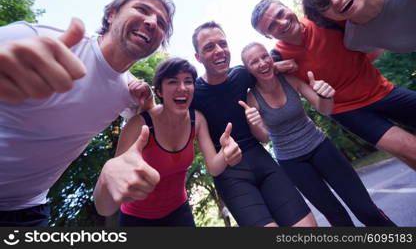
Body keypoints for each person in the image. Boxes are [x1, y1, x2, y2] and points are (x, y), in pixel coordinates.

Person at [0, 0, 175, 226]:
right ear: (112, 14)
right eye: (142, 10)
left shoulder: (130, 91)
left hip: (28, 212)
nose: (152, 22)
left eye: (162, 23)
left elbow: (147, 122)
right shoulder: (42, 39)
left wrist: (147, 104)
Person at [240, 42, 396, 226]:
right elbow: (264, 138)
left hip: (320, 146)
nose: (262, 63)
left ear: (270, 57)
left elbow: (324, 109)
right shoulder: (252, 98)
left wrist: (325, 96)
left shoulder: (289, 79)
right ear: (248, 69)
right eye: (254, 62)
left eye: (264, 56)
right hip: (292, 162)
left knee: (366, 209)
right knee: (338, 219)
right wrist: (255, 123)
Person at [251, 0, 416, 171]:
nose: (282, 22)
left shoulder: (324, 19)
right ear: (267, 36)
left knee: (407, 154)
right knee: (409, 150)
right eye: (271, 26)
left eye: (280, 13)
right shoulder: (277, 57)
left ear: (288, 8)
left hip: (381, 89)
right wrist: (275, 67)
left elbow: (366, 17)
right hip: (348, 111)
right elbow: (252, 75)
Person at [191, 21, 317, 227]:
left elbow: (264, 69)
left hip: (261, 160)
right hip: (230, 173)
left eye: (222, 44)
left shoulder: (241, 75)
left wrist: (279, 65)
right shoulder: (193, 94)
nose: (219, 51)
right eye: (209, 47)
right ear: (198, 57)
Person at [93, 57, 242, 226]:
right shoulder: (139, 125)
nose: (182, 88)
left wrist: (226, 153)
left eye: (188, 81)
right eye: (173, 82)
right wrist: (106, 176)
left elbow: (215, 167)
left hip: (179, 212)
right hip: (136, 218)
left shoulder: (197, 119)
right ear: (159, 92)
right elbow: (104, 206)